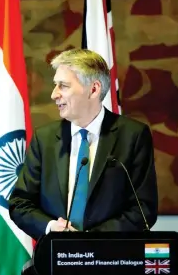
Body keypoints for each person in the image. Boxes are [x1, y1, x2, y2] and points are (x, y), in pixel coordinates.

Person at [9, 48, 158, 238]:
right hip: (56, 258)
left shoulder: (133, 136)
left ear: (93, 89)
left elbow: (143, 208)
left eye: (63, 86)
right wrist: (50, 227)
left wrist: (89, 240)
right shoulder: (44, 139)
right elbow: (20, 203)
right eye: (55, 85)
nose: (54, 94)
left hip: (110, 260)